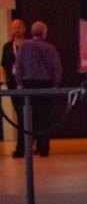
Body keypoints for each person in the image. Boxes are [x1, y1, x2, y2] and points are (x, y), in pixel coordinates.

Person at [12, 20, 62, 157]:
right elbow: (56, 68)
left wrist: (19, 83)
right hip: (45, 85)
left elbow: (19, 66)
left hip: (27, 86)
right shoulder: (50, 48)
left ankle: (22, 149)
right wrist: (55, 84)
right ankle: (44, 149)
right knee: (44, 119)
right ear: (44, 33)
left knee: (25, 119)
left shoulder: (24, 46)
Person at [3, 19, 25, 157]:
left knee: (25, 115)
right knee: (20, 115)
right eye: (13, 27)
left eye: (18, 27)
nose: (16, 30)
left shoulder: (28, 45)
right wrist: (5, 82)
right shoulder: (7, 47)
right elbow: (4, 66)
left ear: (24, 29)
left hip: (27, 83)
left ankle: (22, 146)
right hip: (12, 84)